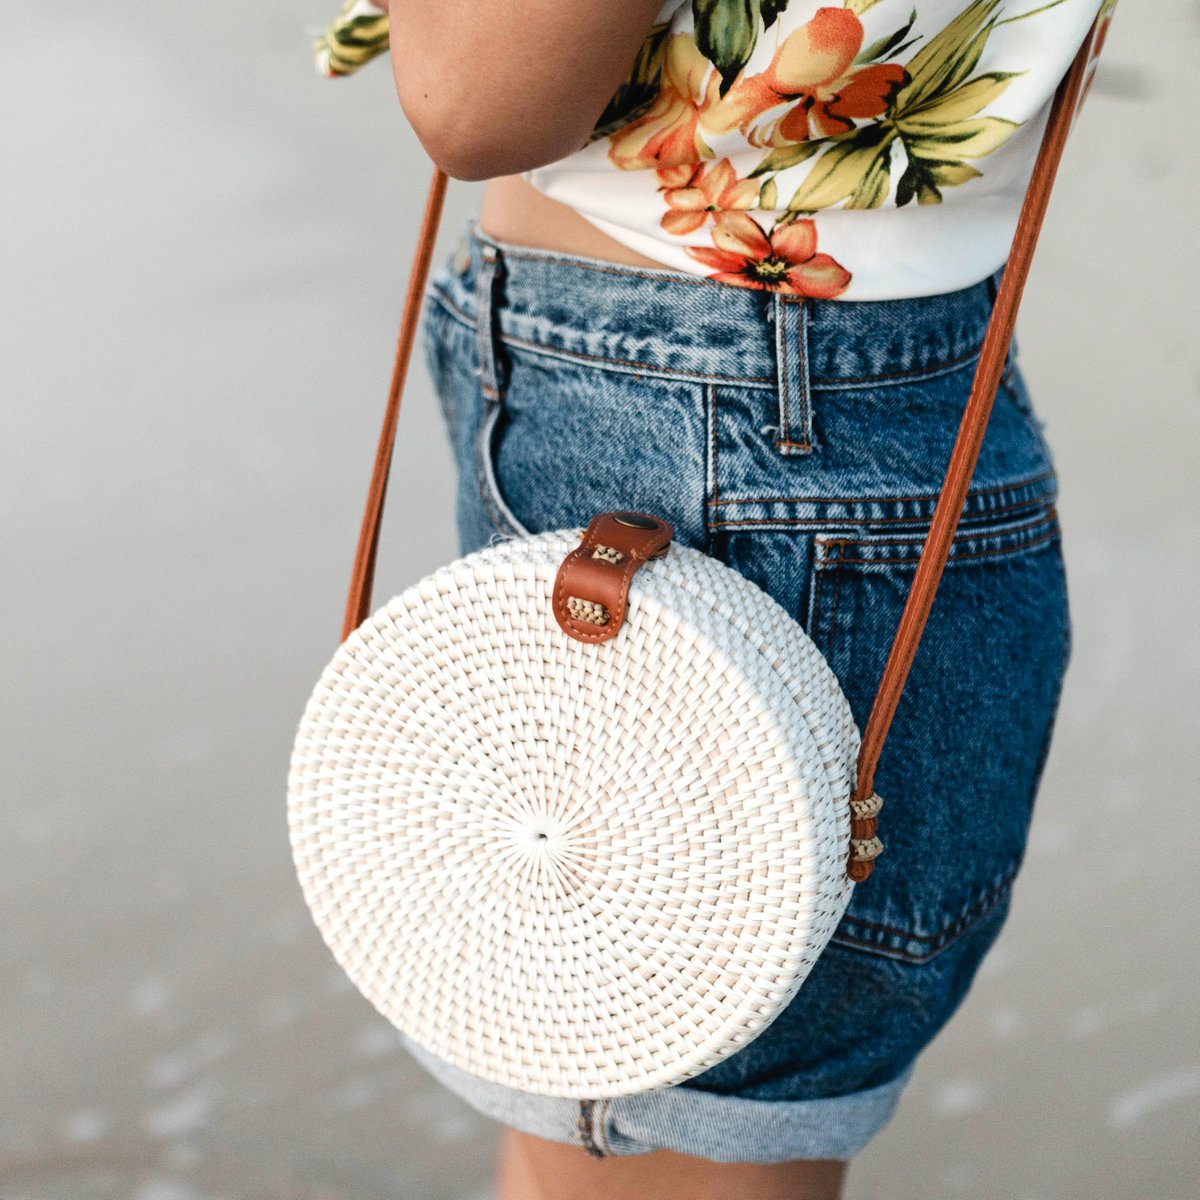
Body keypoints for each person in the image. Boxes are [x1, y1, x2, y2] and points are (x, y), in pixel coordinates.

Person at [315, 2, 1114, 1197]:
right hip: (853, 396)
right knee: (630, 1132)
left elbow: (477, 101)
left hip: (711, 416)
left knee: (646, 1141)